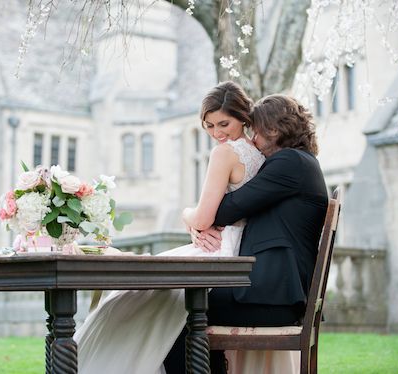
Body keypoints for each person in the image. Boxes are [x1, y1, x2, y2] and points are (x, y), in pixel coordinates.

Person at [73, 81, 265, 374]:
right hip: (237, 247)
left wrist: (188, 218)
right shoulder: (258, 152)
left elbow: (202, 218)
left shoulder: (224, 153)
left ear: (243, 116)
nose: (217, 133)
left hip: (221, 251)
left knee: (129, 299)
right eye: (209, 126)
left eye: (223, 123)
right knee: (141, 295)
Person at [164, 94, 329, 373]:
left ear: (274, 130)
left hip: (276, 299)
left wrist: (188, 216)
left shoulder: (290, 163)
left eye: (257, 131)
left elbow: (227, 209)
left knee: (178, 310)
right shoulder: (300, 163)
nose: (252, 140)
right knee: (184, 305)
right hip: (278, 295)